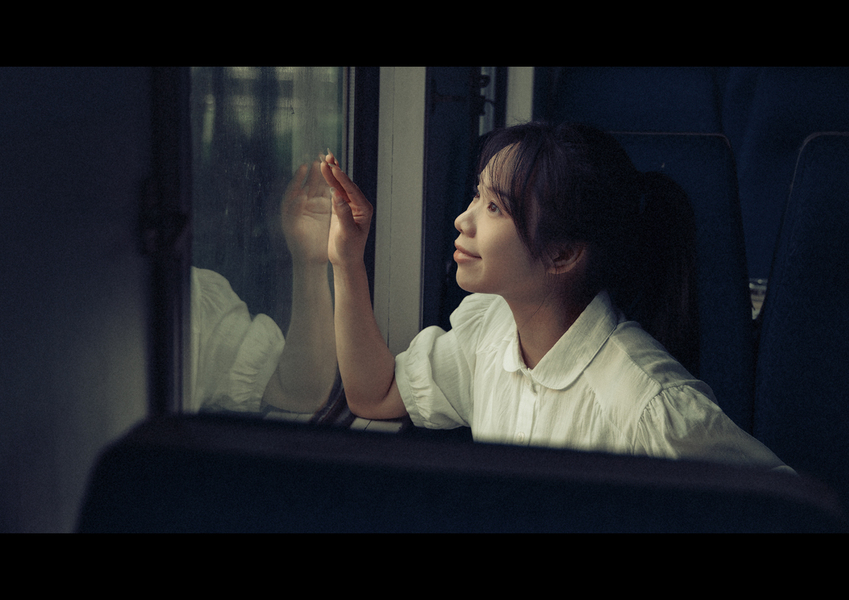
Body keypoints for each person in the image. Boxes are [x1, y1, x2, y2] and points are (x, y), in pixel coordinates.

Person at [321, 121, 790, 472]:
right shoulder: (490, 333)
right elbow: (375, 395)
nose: (463, 220)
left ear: (561, 255)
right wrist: (347, 261)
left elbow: (786, 508)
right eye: (476, 196)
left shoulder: (650, 408)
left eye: (494, 207)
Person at [188, 160, 336, 415]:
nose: (231, 201)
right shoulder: (214, 282)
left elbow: (301, 392)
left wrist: (310, 261)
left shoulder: (193, 300)